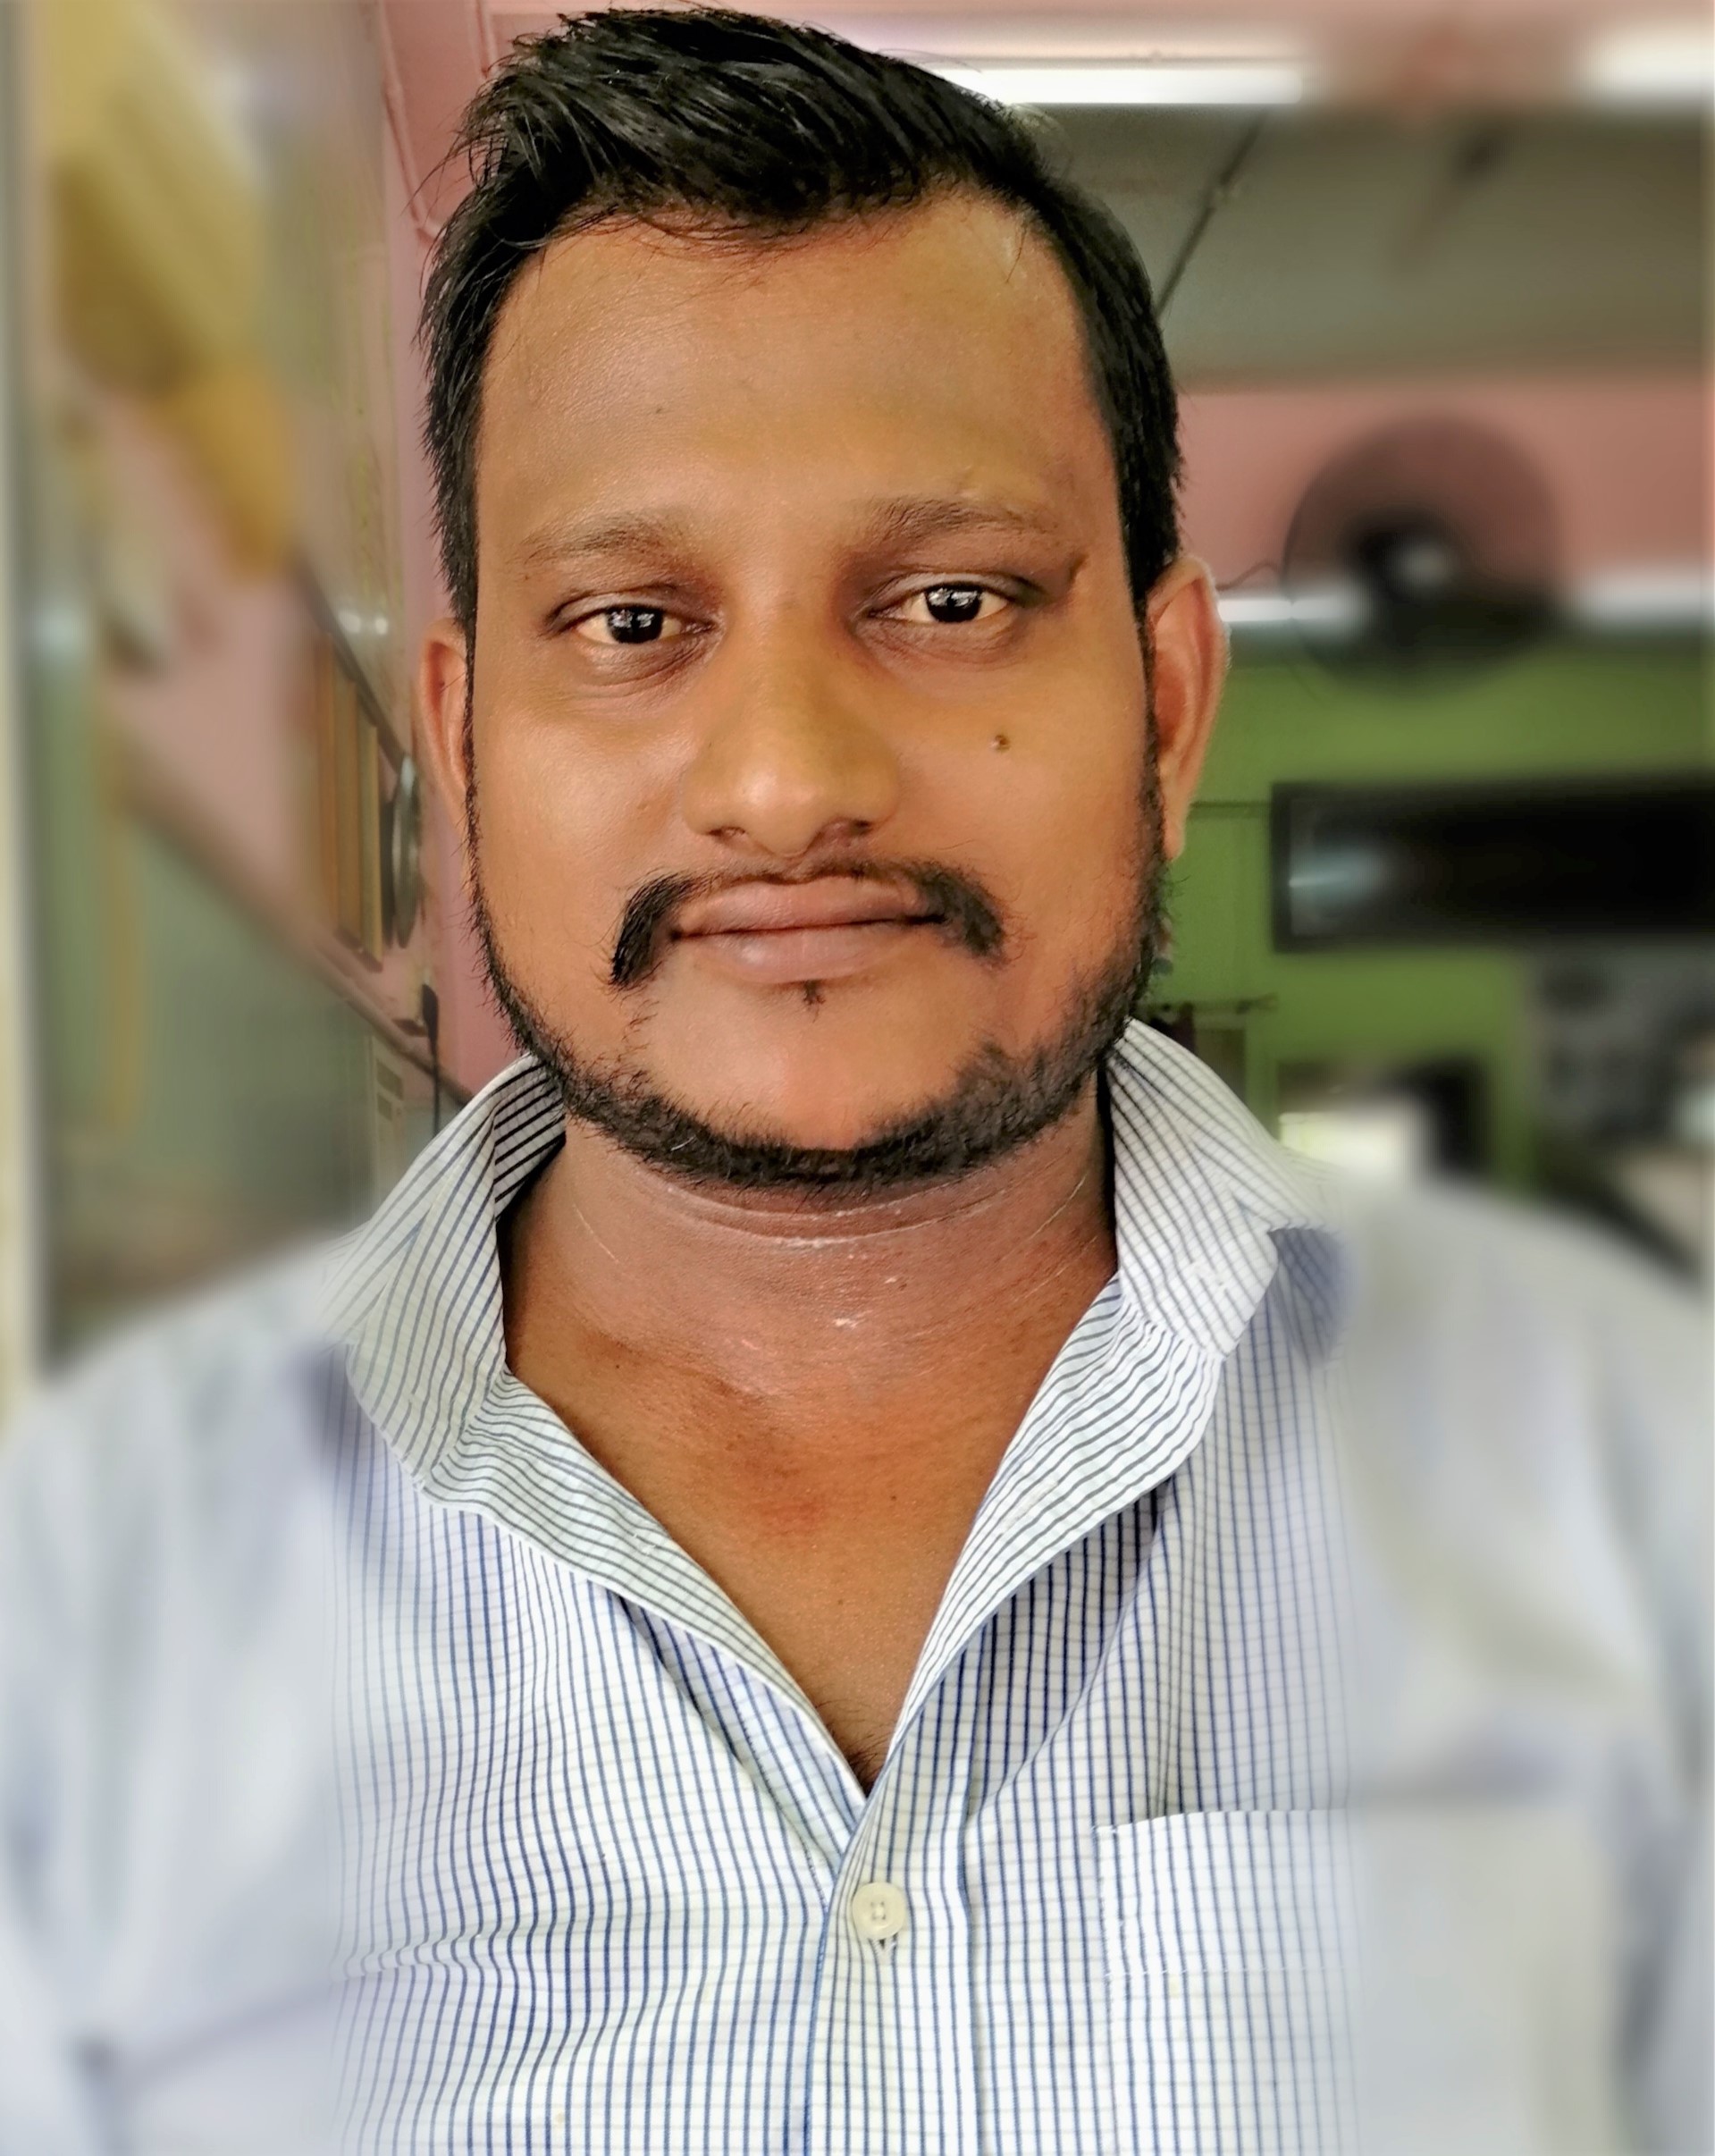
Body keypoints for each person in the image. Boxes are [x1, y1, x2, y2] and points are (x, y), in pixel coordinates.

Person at [0, 12, 1707, 2152]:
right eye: (633, 624)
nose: (788, 780)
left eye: (951, 598)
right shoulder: (85, 1596)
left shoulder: (1635, 1482)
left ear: (1168, 705)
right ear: (458, 734)